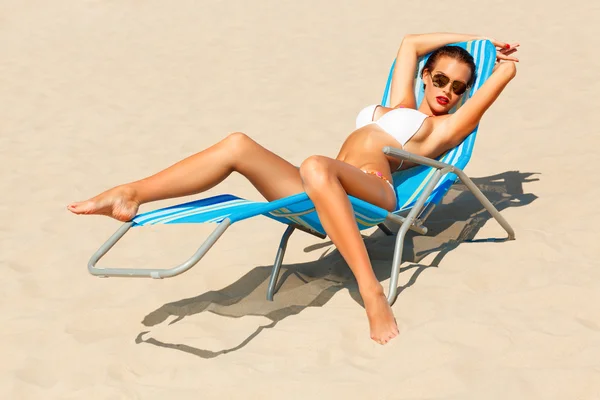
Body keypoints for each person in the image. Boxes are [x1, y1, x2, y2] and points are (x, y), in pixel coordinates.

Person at [68, 32, 519, 345]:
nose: (447, 91)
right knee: (237, 144)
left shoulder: (443, 129)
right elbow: (410, 44)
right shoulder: (401, 101)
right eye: (439, 79)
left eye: (457, 87)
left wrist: (498, 64)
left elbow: (501, 79)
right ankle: (131, 193)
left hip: (375, 193)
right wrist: (475, 37)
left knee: (316, 165)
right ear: (425, 75)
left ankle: (371, 293)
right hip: (324, 191)